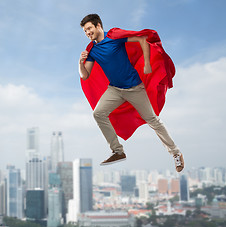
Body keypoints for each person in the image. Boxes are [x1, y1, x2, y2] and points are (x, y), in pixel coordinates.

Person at [78, 14, 184, 172]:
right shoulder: (92, 51)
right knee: (98, 113)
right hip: (114, 89)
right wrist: (80, 63)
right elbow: (85, 75)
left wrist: (147, 63)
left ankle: (176, 153)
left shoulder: (114, 37)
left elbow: (141, 39)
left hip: (134, 88)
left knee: (153, 120)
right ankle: (118, 151)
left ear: (98, 25)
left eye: (89, 28)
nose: (87, 32)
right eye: (85, 31)